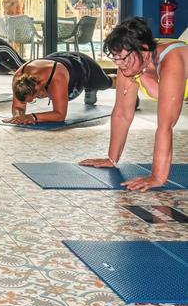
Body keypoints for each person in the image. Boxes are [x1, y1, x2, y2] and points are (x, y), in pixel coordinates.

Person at [80, 17, 188, 191]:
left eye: (123, 58)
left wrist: (157, 177)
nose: (119, 64)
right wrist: (111, 159)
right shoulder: (130, 63)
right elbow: (122, 113)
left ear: (143, 52)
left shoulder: (171, 61)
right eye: (115, 58)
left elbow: (166, 125)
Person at [5, 50, 112, 125]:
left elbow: (60, 115)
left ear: (38, 87)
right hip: (58, 59)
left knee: (106, 83)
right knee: (49, 92)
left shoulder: (56, 79)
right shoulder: (18, 78)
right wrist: (18, 117)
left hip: (81, 64)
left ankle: (105, 82)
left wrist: (33, 117)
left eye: (34, 98)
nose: (36, 99)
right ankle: (91, 88)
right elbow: (18, 107)